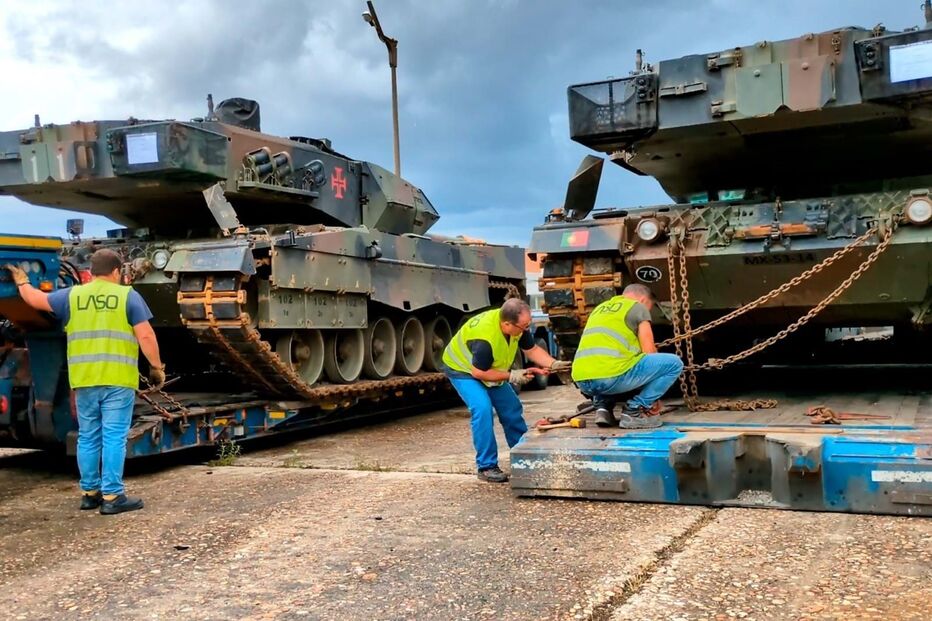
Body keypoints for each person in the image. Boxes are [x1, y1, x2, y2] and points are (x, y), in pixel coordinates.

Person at [4, 249, 165, 514]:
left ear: (91, 271)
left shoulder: (73, 295)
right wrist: (157, 368)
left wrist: (22, 280)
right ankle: (113, 497)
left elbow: (35, 299)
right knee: (113, 437)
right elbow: (146, 335)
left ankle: (90, 493)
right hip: (117, 380)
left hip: (84, 379)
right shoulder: (128, 296)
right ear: (116, 272)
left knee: (88, 437)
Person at [442, 298, 571, 483]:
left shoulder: (518, 326)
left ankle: (523, 456)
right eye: (524, 326)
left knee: (511, 408)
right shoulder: (485, 338)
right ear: (507, 324)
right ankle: (487, 466)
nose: (526, 329)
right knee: (482, 409)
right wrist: (511, 376)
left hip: (489, 368)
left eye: (528, 325)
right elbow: (479, 373)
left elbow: (532, 349)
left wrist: (554, 364)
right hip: (463, 370)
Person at [571, 283, 683, 429]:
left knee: (612, 363)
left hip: (581, 380)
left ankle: (603, 408)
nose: (648, 311)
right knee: (674, 363)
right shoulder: (638, 307)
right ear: (643, 300)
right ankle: (634, 411)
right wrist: (654, 398)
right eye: (650, 307)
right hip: (609, 378)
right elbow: (649, 351)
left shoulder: (600, 308)